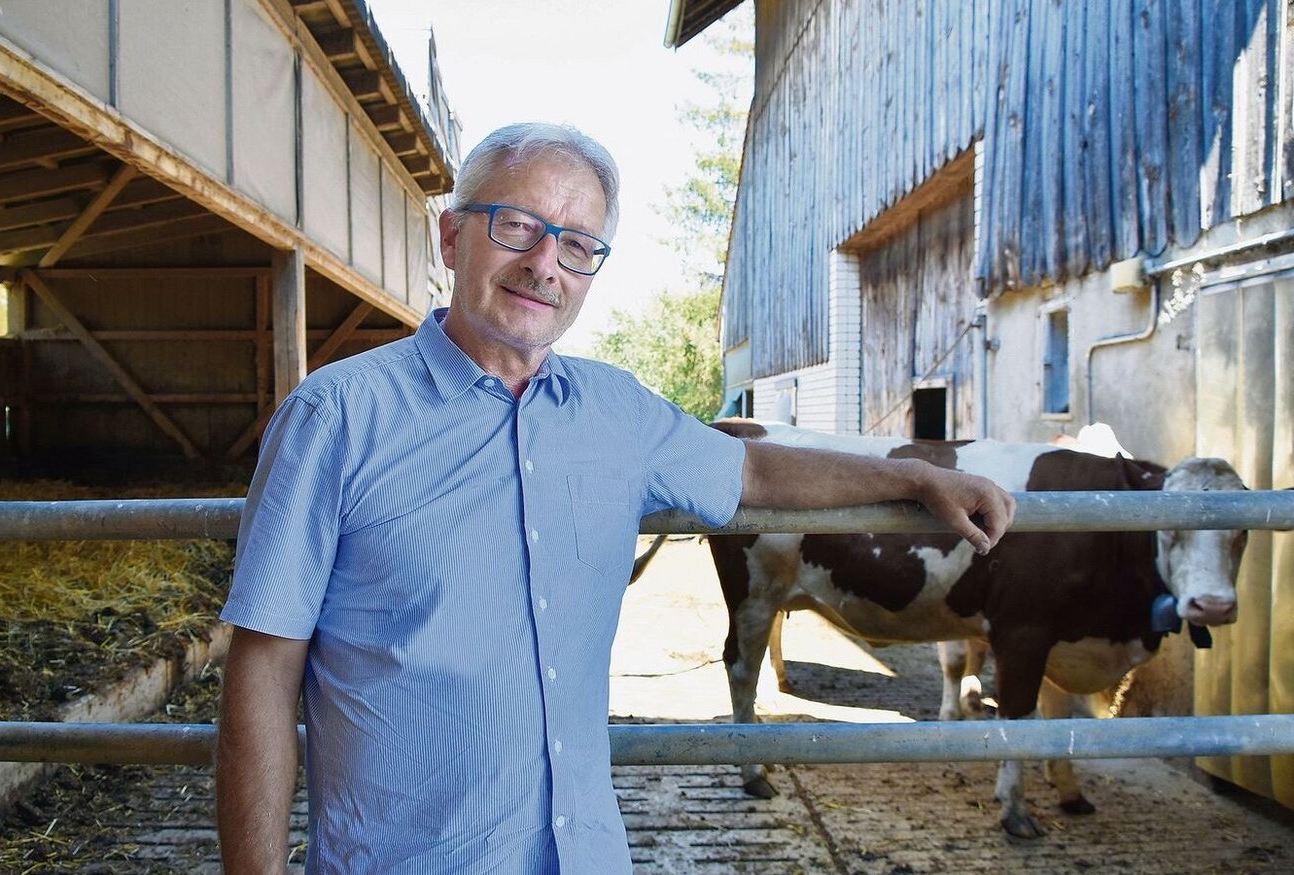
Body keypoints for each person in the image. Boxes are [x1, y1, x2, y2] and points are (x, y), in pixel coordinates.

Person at [214, 121, 1016, 874]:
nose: (545, 265)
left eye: (577, 244)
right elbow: (262, 668)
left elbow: (758, 474)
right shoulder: (336, 417)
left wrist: (915, 477)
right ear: (452, 237)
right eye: (516, 227)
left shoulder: (619, 412)